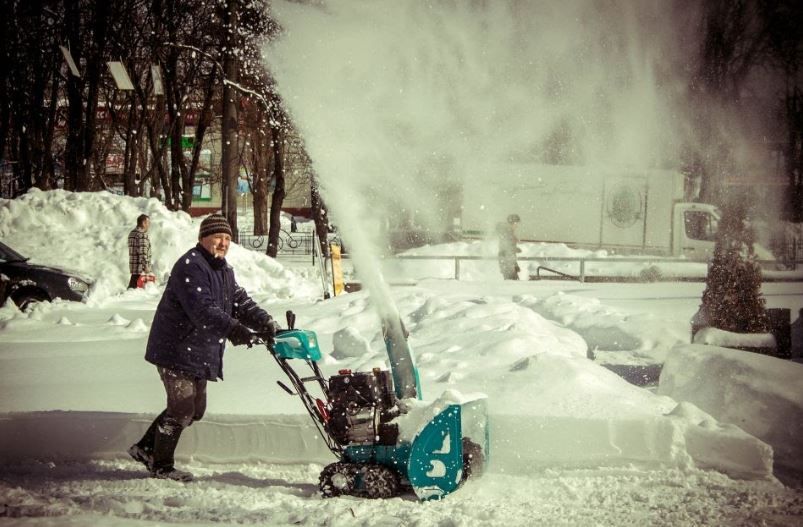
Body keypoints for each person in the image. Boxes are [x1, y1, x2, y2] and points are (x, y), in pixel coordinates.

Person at [128, 214, 279, 481]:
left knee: (195, 410)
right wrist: (234, 329)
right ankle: (160, 464)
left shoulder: (222, 269)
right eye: (218, 237)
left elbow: (238, 301)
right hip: (176, 348)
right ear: (203, 238)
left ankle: (145, 448)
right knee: (182, 408)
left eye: (228, 239)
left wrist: (264, 321)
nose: (223, 243)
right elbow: (202, 309)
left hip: (198, 350)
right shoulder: (191, 266)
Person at [128, 214, 152, 289]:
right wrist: (146, 267)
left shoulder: (132, 233)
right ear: (143, 223)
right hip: (140, 269)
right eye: (148, 223)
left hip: (134, 267)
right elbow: (143, 253)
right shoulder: (142, 235)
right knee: (135, 291)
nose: (149, 225)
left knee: (132, 287)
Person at [497, 213, 521, 280]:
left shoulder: (509, 233)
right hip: (507, 263)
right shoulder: (507, 233)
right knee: (511, 283)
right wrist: (514, 249)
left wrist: (515, 265)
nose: (517, 226)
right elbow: (505, 248)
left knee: (512, 282)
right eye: (516, 223)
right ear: (512, 223)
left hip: (508, 262)